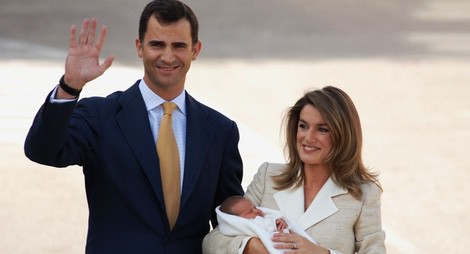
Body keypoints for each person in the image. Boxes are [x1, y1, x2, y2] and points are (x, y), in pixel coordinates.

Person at [24, 0, 244, 253]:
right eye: (157, 44)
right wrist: (70, 86)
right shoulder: (100, 116)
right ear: (139, 47)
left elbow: (228, 222)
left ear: (195, 50)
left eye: (179, 46)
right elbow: (42, 151)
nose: (168, 56)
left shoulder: (220, 130)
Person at [203, 86, 386, 254]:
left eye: (322, 129)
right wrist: (252, 246)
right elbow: (213, 242)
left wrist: (322, 253)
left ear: (342, 135)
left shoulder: (364, 194)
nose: (308, 137)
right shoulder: (268, 177)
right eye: (303, 126)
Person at [219, 195, 288, 232]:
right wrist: (274, 225)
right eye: (250, 212)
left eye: (255, 207)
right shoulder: (248, 225)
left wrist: (279, 222)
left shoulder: (264, 218)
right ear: (237, 220)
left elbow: (269, 220)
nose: (256, 211)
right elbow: (267, 226)